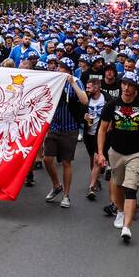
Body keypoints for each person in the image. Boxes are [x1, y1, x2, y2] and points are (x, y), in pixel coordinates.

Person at [96, 72, 139, 244]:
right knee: (118, 186)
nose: (126, 88)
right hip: (115, 152)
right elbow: (102, 130)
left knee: (131, 188)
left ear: (136, 89)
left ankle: (127, 227)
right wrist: (100, 153)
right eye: (124, 84)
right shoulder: (111, 105)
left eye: (130, 85)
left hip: (136, 154)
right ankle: (121, 211)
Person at [42, 57, 89, 208]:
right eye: (58, 67)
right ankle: (56, 185)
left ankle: (66, 195)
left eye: (61, 68)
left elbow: (84, 100)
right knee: (47, 159)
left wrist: (73, 83)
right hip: (54, 126)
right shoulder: (53, 80)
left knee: (66, 162)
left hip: (70, 128)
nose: (58, 69)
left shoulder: (75, 80)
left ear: (68, 70)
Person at [83, 78, 107, 201]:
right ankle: (97, 178)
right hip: (89, 134)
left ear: (97, 87)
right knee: (93, 158)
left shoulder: (106, 99)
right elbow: (81, 113)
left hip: (102, 134)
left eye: (89, 87)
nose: (87, 90)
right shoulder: (86, 100)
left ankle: (92, 186)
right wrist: (84, 117)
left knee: (97, 159)